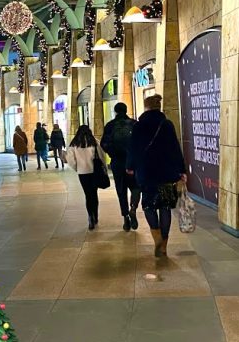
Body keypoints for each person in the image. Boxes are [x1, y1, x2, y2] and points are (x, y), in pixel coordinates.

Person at [126, 94, 187, 257]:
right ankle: (164, 246)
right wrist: (182, 170)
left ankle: (157, 237)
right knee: (165, 207)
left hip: (146, 173)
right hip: (167, 173)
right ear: (159, 107)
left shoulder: (139, 126)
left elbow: (133, 149)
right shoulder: (167, 124)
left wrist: (130, 167)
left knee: (148, 206)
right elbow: (175, 148)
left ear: (146, 107)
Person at [101, 102, 140, 232]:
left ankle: (126, 219)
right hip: (133, 163)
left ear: (115, 112)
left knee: (121, 191)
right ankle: (133, 208)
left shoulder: (110, 125)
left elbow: (104, 143)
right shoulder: (134, 124)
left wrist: (113, 153)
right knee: (135, 187)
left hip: (117, 163)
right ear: (126, 110)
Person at [67, 125, 106, 230]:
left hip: (82, 173)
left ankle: (90, 217)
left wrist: (77, 168)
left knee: (87, 195)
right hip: (94, 172)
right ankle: (96, 216)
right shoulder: (94, 142)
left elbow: (70, 160)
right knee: (94, 194)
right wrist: (105, 168)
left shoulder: (74, 144)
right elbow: (102, 156)